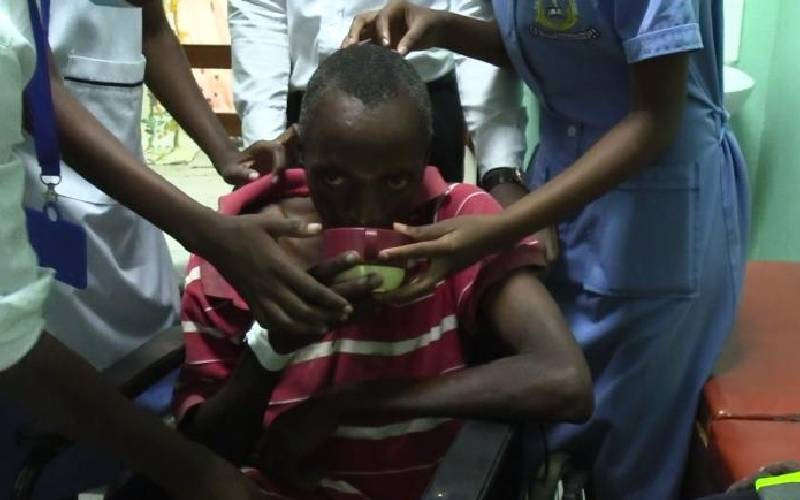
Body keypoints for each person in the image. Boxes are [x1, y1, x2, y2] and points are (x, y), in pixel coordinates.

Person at [343, 1, 750, 499]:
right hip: (559, 193)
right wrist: (443, 28)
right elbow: (558, 48)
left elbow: (655, 118)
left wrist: (499, 228)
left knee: (627, 456)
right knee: (549, 448)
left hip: (656, 224)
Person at [165, 44, 592, 499]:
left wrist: (352, 404)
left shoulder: (456, 224)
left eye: (396, 180)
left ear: (425, 157)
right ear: (298, 151)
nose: (366, 212)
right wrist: (271, 346)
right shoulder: (241, 247)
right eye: (334, 179)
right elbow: (205, 454)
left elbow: (565, 381)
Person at [0, 1, 273, 498]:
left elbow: (150, 25)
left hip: (128, 216)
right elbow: (37, 90)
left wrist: (227, 156)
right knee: (52, 415)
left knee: (145, 388)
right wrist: (206, 231)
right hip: (38, 218)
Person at [228, 0, 527, 192]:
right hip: (311, 112)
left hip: (423, 107)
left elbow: (472, 14)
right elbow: (259, 14)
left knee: (426, 254)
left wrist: (499, 170)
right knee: (307, 253)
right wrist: (266, 151)